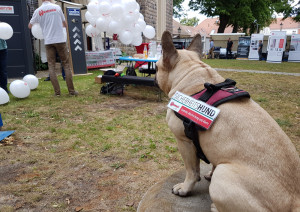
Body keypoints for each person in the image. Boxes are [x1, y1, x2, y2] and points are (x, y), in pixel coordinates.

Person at [28, 0, 78, 96]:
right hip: (60, 39)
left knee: (51, 66)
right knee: (66, 65)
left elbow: (30, 25)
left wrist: (40, 24)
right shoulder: (57, 7)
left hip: (48, 41)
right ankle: (71, 91)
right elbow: (64, 24)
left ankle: (57, 93)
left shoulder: (38, 11)